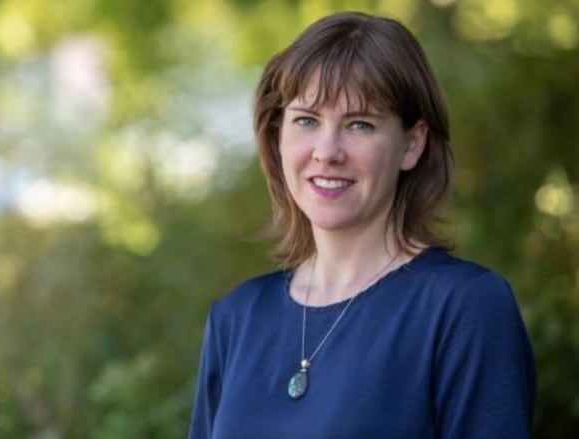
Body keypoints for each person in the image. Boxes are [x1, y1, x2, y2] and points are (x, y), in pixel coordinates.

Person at [188, 11, 536, 439]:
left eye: (359, 124)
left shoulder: (465, 307)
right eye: (307, 120)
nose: (327, 151)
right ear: (278, 136)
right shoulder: (235, 317)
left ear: (411, 144)